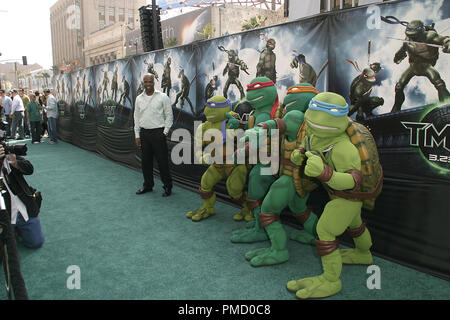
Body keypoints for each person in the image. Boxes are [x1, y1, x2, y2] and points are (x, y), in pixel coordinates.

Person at [134, 74, 173, 197]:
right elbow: (136, 117)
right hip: (144, 133)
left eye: (150, 81)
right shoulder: (138, 99)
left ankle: (167, 186)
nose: (148, 84)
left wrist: (164, 132)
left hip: (158, 133)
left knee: (162, 162)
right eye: (145, 82)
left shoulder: (163, 97)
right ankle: (148, 185)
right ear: (143, 83)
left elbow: (169, 116)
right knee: (146, 162)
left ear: (154, 82)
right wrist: (137, 135)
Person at [0, 144, 45, 249]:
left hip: (23, 208)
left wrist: (15, 163)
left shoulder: (6, 152)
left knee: (36, 242)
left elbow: (30, 169)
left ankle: (18, 230)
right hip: (4, 214)